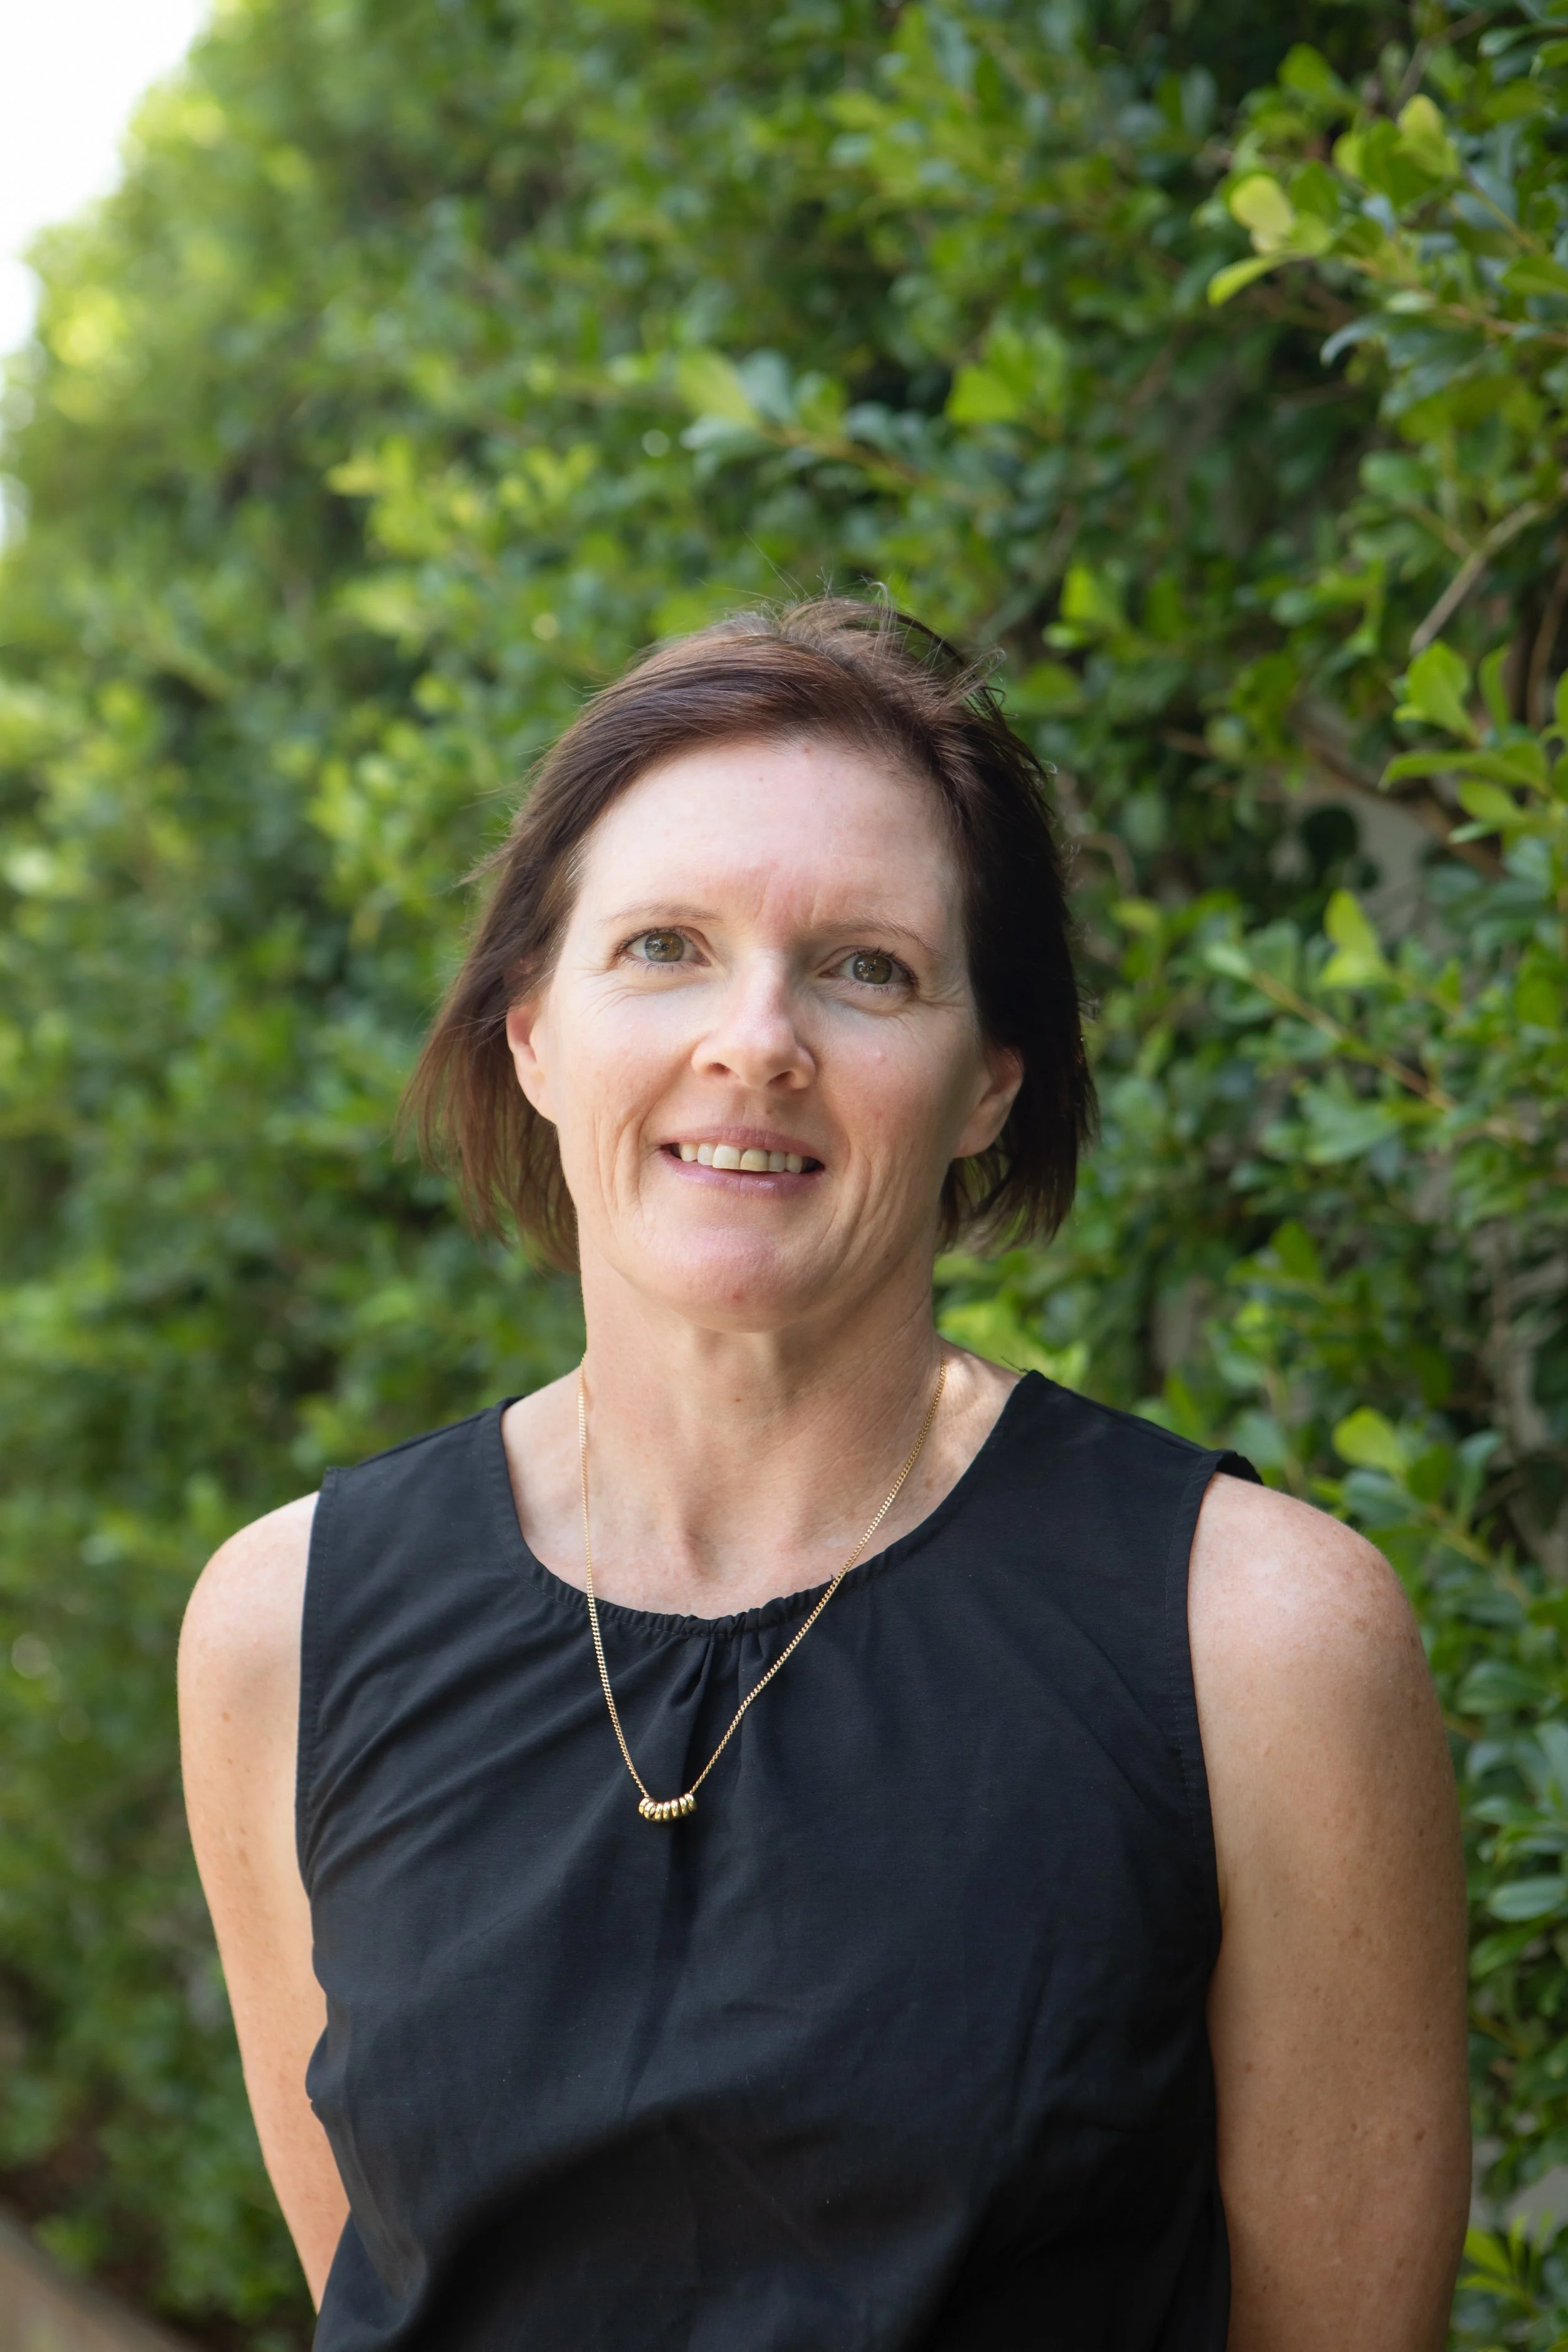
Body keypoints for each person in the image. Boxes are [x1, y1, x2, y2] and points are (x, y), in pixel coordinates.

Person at [179, 598, 1470, 2352]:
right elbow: (389, 2273)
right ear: (532, 1036)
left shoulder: (1258, 1637)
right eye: (662, 947)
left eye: (865, 966)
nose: (756, 1039)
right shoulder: (285, 1624)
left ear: (986, 1086)